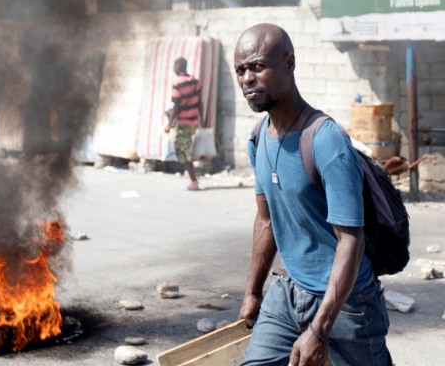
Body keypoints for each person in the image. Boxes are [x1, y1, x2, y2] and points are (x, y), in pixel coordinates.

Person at [235, 24, 390, 366]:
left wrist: (320, 330)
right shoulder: (258, 138)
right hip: (288, 293)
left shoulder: (325, 140)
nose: (247, 78)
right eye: (241, 70)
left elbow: (351, 239)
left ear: (289, 64)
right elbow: (266, 220)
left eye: (258, 66)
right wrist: (253, 291)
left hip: (348, 302)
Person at [165, 58, 204, 191]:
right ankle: (192, 179)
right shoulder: (195, 81)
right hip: (193, 121)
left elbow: (176, 105)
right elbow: (200, 102)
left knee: (183, 151)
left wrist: (169, 124)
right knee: (185, 149)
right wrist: (202, 120)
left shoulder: (177, 83)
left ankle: (194, 182)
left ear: (178, 67)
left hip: (182, 123)